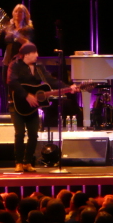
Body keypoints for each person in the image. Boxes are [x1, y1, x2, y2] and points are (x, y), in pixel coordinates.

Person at [7, 43, 78, 172]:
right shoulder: (15, 65)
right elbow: (12, 82)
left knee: (33, 135)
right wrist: (26, 95)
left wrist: (68, 87)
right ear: (27, 54)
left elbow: (51, 81)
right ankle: (18, 162)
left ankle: (27, 162)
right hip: (17, 104)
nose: (37, 55)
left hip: (32, 107)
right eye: (35, 53)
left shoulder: (39, 67)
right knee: (20, 133)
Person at [0, 4, 35, 112]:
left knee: (21, 86)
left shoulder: (28, 28)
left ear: (25, 15)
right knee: (8, 86)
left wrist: (15, 34)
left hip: (22, 62)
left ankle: (23, 109)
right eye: (16, 11)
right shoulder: (9, 27)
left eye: (21, 12)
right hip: (8, 61)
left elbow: (27, 42)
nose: (18, 14)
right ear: (13, 14)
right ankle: (11, 110)